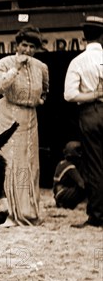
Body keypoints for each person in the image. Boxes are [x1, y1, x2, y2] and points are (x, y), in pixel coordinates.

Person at [0, 25, 49, 226]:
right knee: (8, 163)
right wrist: (16, 69)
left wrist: (38, 101)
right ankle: (7, 212)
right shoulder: (5, 63)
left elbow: (45, 90)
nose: (28, 50)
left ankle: (26, 210)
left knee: (28, 163)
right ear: (17, 45)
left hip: (29, 118)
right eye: (24, 45)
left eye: (32, 46)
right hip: (6, 116)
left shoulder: (41, 67)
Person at [64, 15, 103, 228]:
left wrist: (93, 96)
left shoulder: (78, 61)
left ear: (84, 37)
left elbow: (69, 95)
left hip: (91, 112)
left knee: (95, 164)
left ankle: (97, 215)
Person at [53, 141, 86, 209]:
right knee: (87, 187)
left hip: (58, 194)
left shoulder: (61, 163)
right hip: (63, 194)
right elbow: (81, 184)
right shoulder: (70, 167)